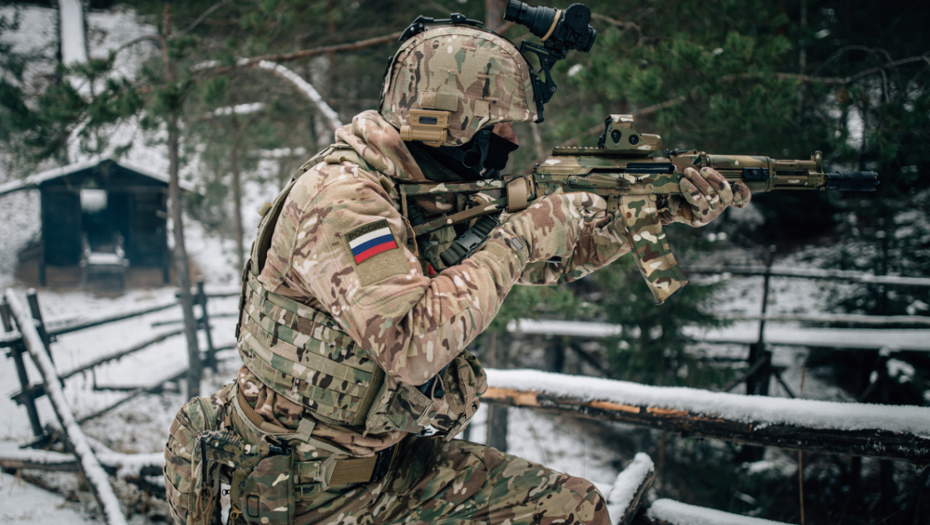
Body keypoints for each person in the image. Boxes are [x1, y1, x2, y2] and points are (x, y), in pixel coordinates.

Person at [164, 16, 750, 525]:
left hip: (384, 468)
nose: (513, 139)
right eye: (499, 125)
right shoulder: (345, 200)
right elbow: (413, 342)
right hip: (306, 497)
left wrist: (663, 207)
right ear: (448, 120)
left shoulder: (420, 191)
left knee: (573, 508)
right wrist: (519, 238)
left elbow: (553, 255)